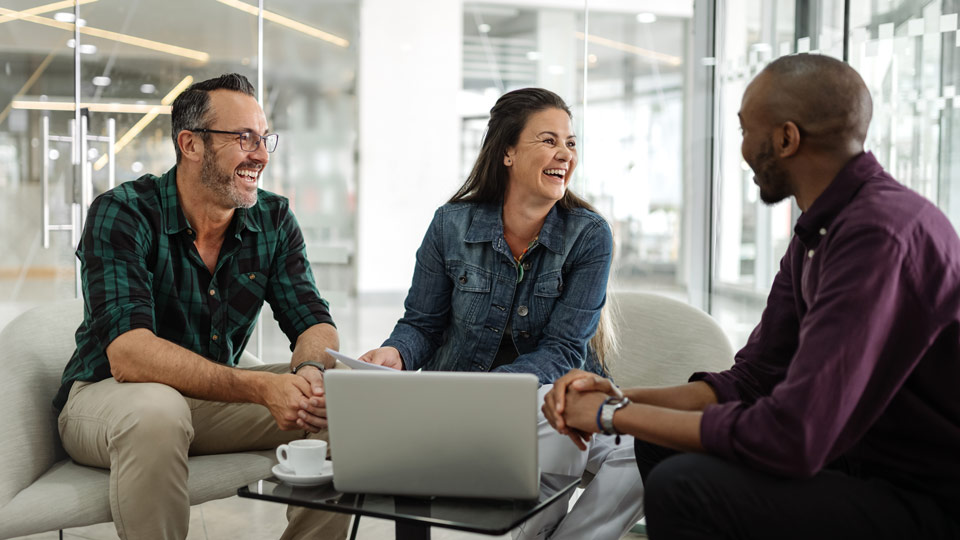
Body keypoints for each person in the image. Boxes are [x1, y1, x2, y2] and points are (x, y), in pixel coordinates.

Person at [543, 54, 960, 539]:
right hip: (857, 461)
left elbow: (794, 437)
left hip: (926, 495)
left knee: (685, 486)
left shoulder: (878, 234)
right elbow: (752, 379)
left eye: (745, 130)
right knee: (661, 445)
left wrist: (611, 417)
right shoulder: (818, 232)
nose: (740, 149)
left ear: (786, 138)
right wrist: (619, 398)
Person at [53, 74, 350, 540]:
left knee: (344, 398)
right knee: (158, 409)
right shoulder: (124, 212)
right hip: (109, 399)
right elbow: (129, 356)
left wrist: (311, 369)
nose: (261, 154)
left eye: (264, 138)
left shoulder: (272, 218)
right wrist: (260, 388)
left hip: (209, 403)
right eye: (244, 138)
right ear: (190, 144)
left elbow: (313, 318)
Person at [358, 87, 645, 540]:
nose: (564, 154)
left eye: (570, 143)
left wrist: (495, 392)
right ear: (508, 151)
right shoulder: (451, 224)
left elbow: (565, 350)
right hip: (462, 404)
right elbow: (422, 324)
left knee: (642, 452)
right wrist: (396, 351)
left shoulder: (589, 236)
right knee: (555, 441)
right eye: (548, 140)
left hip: (547, 396)